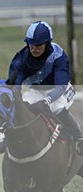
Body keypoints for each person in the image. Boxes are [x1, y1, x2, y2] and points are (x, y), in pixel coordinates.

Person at [5, 20, 83, 155]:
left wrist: (47, 100)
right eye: (31, 44)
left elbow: (60, 86)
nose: (34, 48)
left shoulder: (58, 56)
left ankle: (79, 139)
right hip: (36, 90)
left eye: (38, 45)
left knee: (56, 108)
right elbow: (14, 84)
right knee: (21, 109)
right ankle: (6, 140)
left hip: (59, 90)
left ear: (47, 43)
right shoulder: (21, 58)